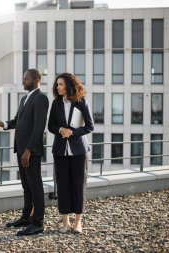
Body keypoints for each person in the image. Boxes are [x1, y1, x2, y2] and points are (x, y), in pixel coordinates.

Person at [0, 69, 49, 236]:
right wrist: (2, 124)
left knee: (35, 186)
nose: (23, 81)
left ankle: (38, 223)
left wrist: (28, 150)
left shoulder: (41, 98)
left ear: (36, 79)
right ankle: (26, 217)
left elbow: (39, 127)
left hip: (30, 151)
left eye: (26, 79)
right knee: (26, 186)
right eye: (23, 78)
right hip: (20, 149)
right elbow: (16, 121)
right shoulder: (24, 98)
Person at [48, 72, 94, 234]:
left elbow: (90, 126)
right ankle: (65, 223)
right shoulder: (56, 103)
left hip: (79, 151)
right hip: (60, 151)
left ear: (69, 85)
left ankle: (78, 223)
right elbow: (51, 126)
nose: (58, 87)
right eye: (57, 84)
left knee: (78, 186)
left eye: (61, 84)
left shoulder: (81, 102)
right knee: (63, 186)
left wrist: (72, 133)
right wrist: (61, 129)